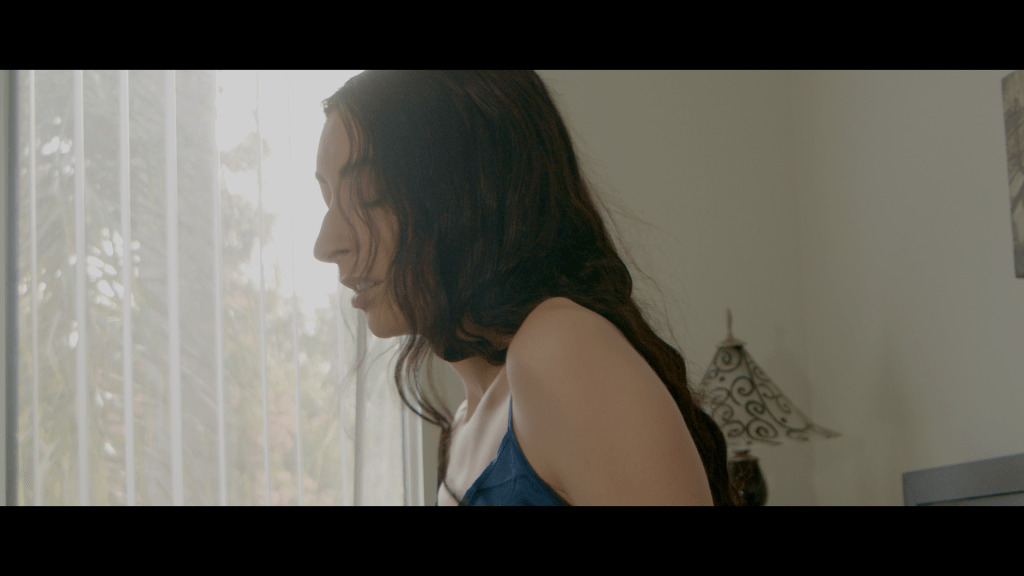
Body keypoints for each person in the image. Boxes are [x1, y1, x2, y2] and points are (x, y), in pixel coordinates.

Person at [313, 71, 739, 505]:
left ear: (475, 183)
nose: (326, 245)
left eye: (370, 193)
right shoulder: (464, 422)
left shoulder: (561, 349)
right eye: (328, 200)